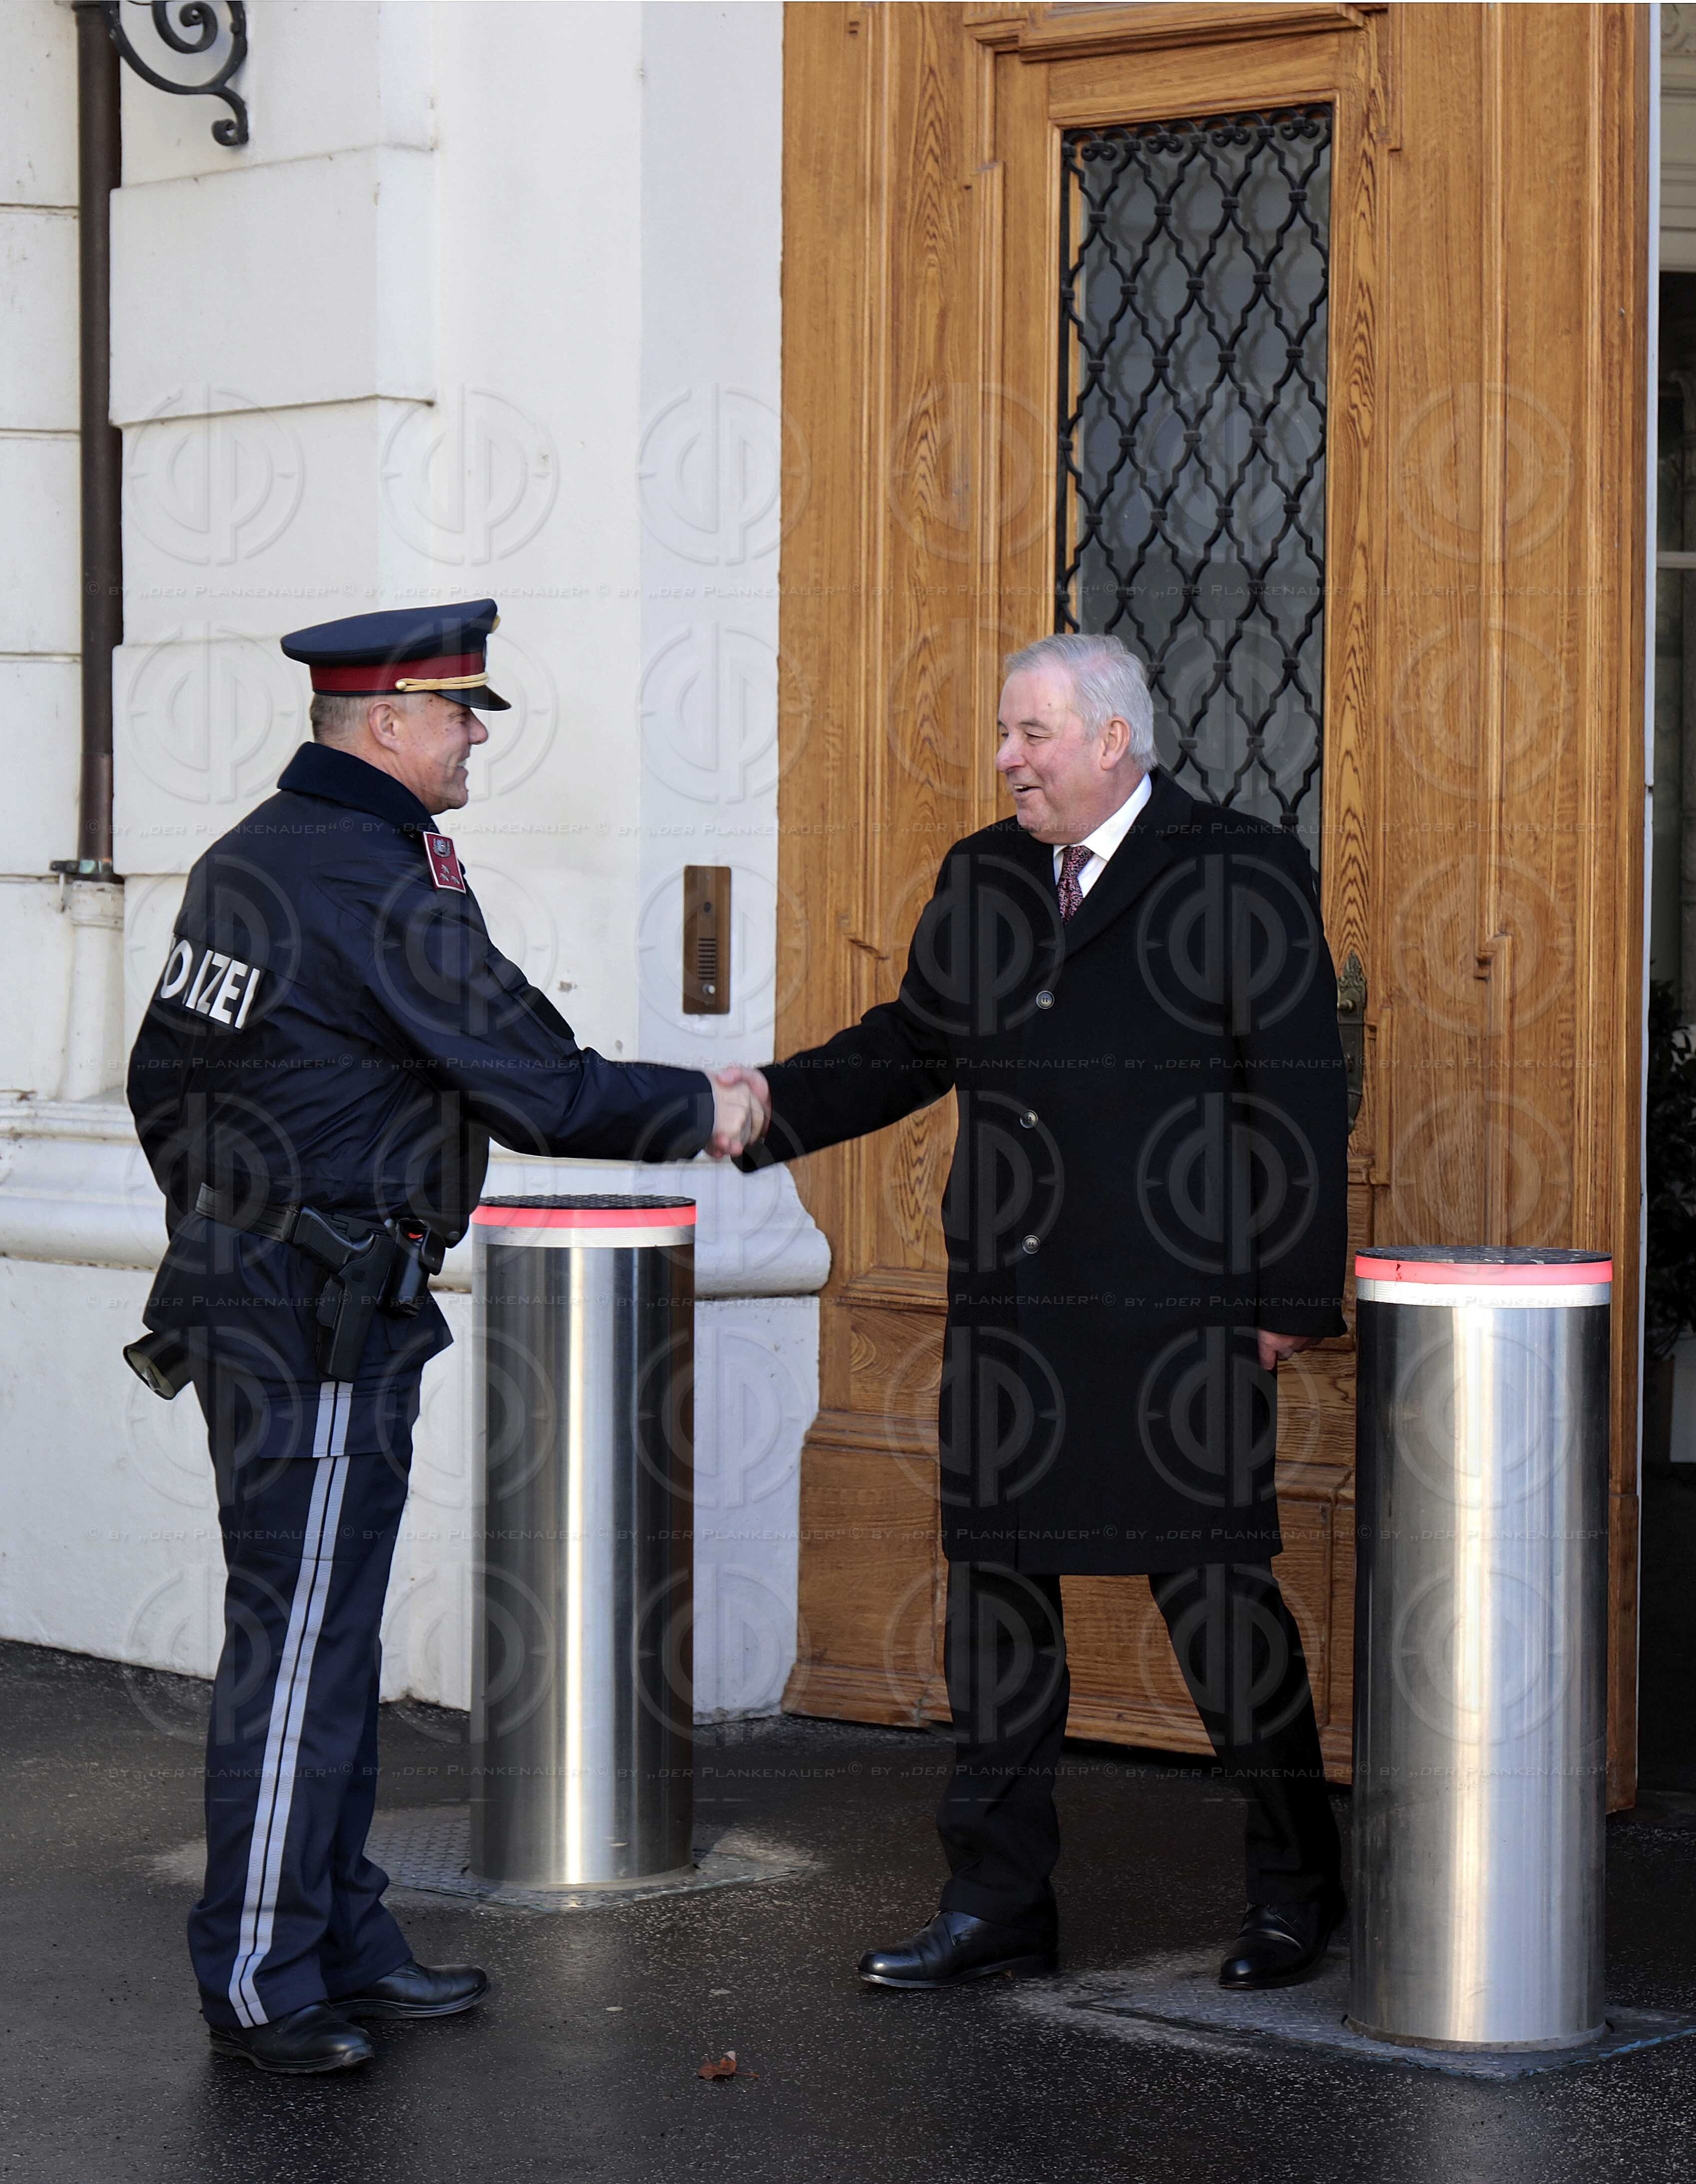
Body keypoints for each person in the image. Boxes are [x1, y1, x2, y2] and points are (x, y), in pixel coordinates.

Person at [126, 600, 768, 2073]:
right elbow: (536, 1083)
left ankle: (338, 1929)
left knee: (325, 1634)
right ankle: (258, 1972)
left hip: (260, 1293)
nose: (476, 732)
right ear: (388, 724)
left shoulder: (248, 858)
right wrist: (708, 1112)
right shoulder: (374, 875)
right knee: (297, 1647)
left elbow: (166, 1082)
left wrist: (233, 1228)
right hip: (320, 1313)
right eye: (458, 710)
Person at [727, 631, 1348, 1992]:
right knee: (997, 1612)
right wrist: (766, 1103)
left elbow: (1297, 1080)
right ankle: (995, 1902)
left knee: (1217, 1612)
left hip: (1175, 1314)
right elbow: (910, 1043)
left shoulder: (1239, 867)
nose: (1006, 757)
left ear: (1113, 740)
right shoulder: (983, 874)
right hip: (1013, 1307)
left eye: (1031, 734)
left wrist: (1287, 1297)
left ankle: (1300, 1883)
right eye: (1006, 734)